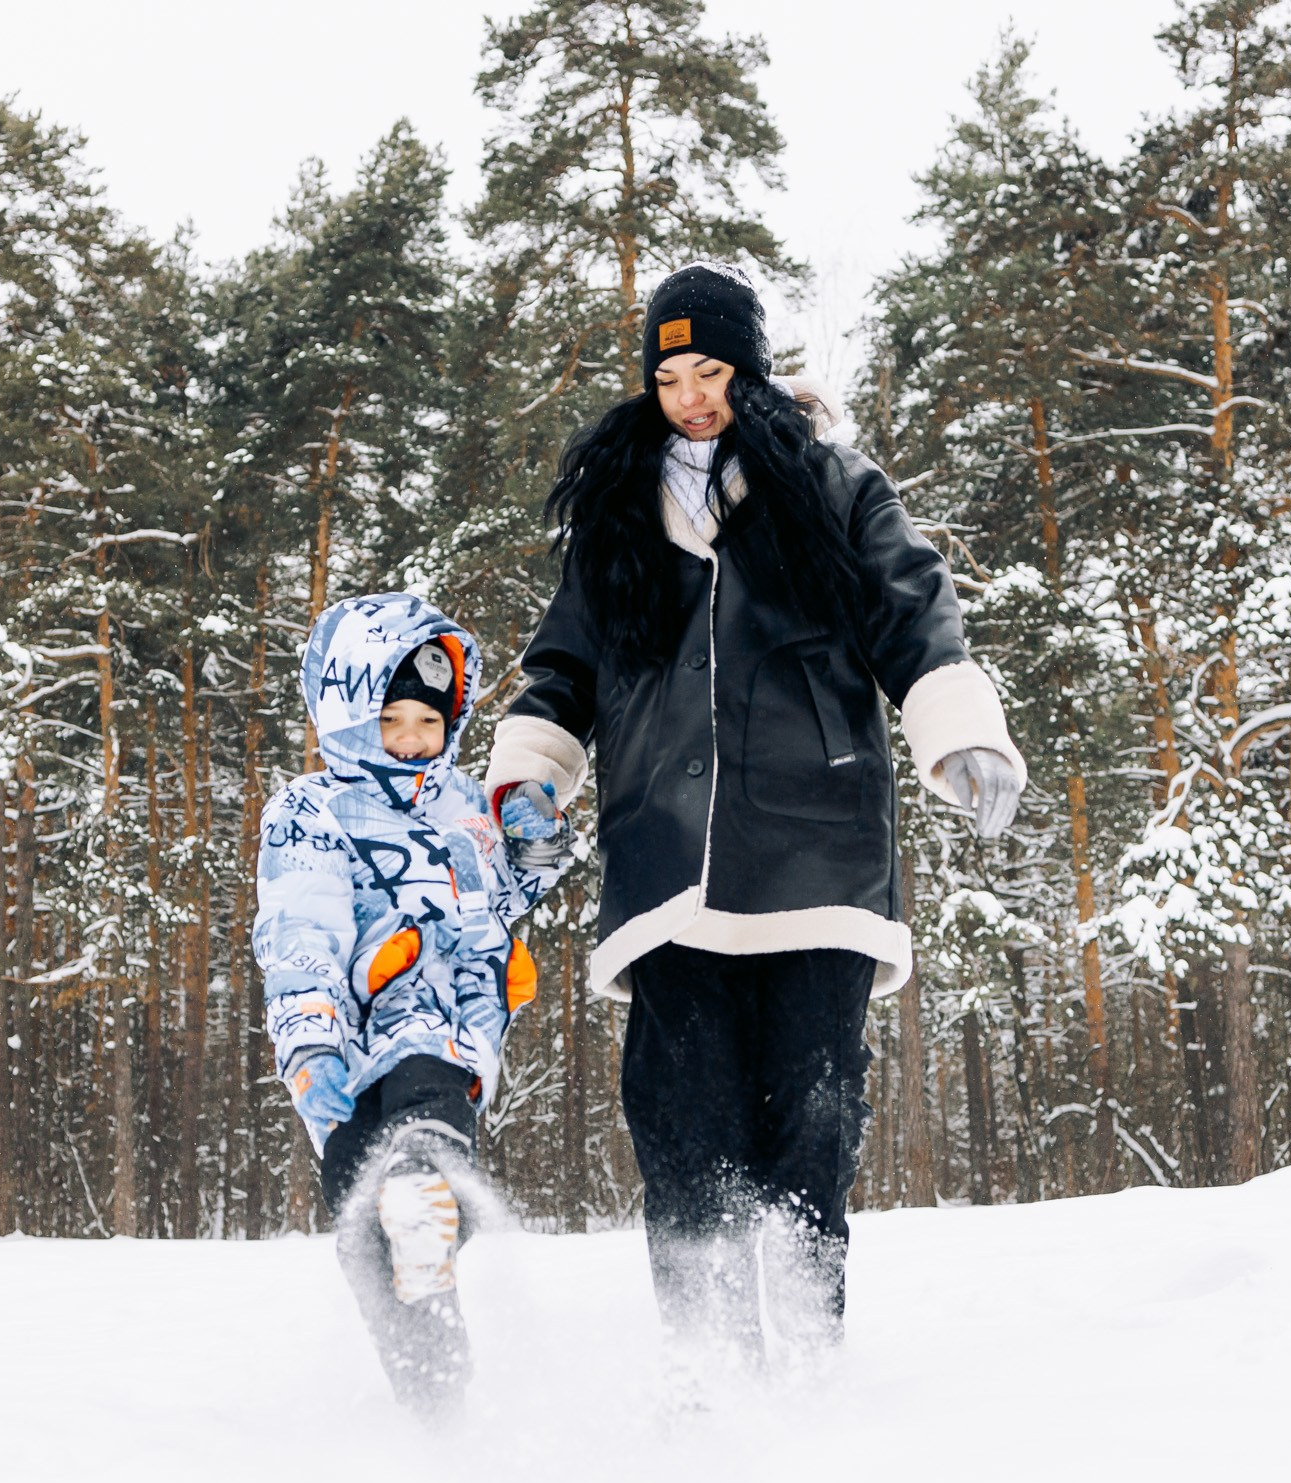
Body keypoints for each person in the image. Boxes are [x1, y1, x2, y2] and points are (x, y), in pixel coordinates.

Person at [485, 261, 1026, 1373]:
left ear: (752, 369)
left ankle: (811, 1370)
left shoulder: (832, 484)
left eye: (712, 371)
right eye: (668, 376)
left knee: (809, 1128)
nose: (690, 397)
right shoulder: (620, 511)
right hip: (667, 869)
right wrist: (530, 775)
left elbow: (914, 614)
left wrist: (959, 729)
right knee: (685, 1133)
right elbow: (562, 670)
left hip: (816, 857)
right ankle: (710, 1374)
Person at [254, 593, 557, 1416]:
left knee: (428, 1102)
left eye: (430, 720)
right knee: (364, 1225)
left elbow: (504, 894)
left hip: (442, 1018)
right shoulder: (310, 811)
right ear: (349, 715)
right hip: (347, 1042)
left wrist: (532, 839)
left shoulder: (461, 803)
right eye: (392, 721)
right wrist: (310, 1041)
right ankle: (434, 1397)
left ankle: (429, 1178)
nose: (415, 738)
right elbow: (299, 929)